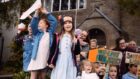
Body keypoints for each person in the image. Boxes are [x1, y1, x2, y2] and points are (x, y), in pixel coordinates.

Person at [27, 7, 57, 79]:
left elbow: (54, 22)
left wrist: (46, 13)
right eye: (39, 23)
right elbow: (33, 24)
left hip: (45, 59)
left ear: (46, 25)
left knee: (42, 77)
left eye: (41, 23)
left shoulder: (50, 32)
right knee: (33, 76)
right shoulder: (37, 33)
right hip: (36, 58)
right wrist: (37, 12)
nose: (39, 24)